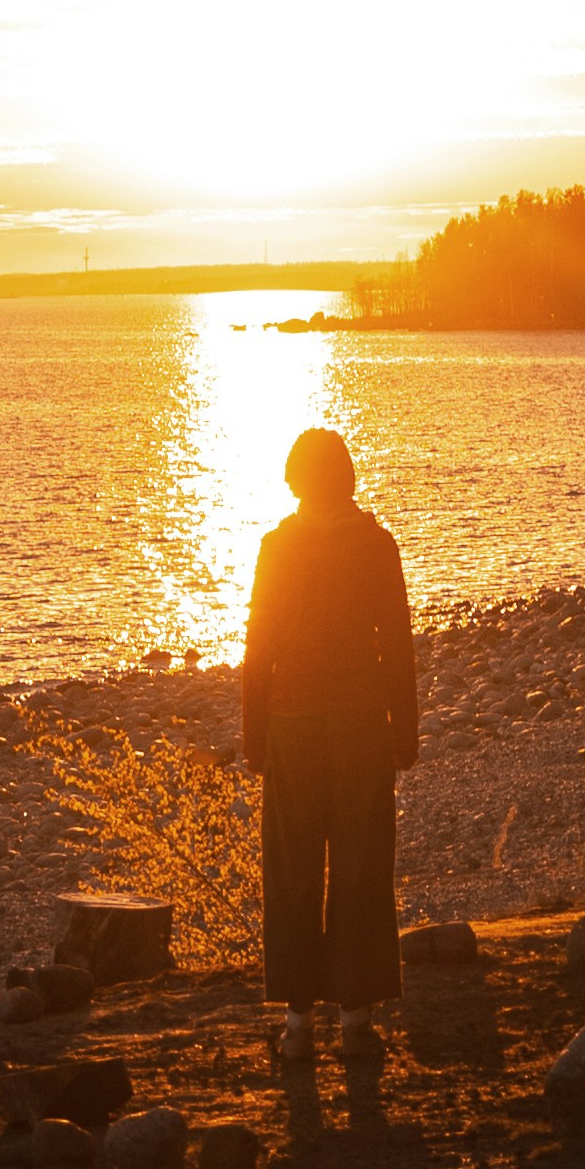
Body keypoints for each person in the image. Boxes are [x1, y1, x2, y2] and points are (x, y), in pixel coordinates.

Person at [242, 424, 419, 1065]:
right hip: (361, 724)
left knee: (291, 870)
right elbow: (397, 642)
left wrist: (253, 735)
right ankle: (356, 1017)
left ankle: (296, 1021)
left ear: (295, 481)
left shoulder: (276, 547)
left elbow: (257, 648)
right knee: (361, 865)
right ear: (347, 479)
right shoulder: (376, 545)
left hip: (292, 724)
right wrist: (407, 728)